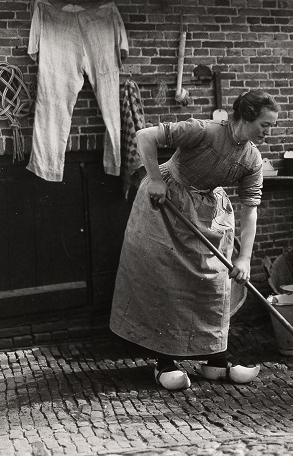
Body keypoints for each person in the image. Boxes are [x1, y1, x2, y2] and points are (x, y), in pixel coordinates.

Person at [110, 90, 279, 390]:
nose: (269, 131)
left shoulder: (252, 158)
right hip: (162, 205)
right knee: (167, 281)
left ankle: (216, 361)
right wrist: (157, 180)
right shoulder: (204, 131)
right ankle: (163, 364)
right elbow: (145, 136)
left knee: (214, 281)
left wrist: (244, 258)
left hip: (202, 213)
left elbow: (251, 209)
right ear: (246, 117)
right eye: (266, 124)